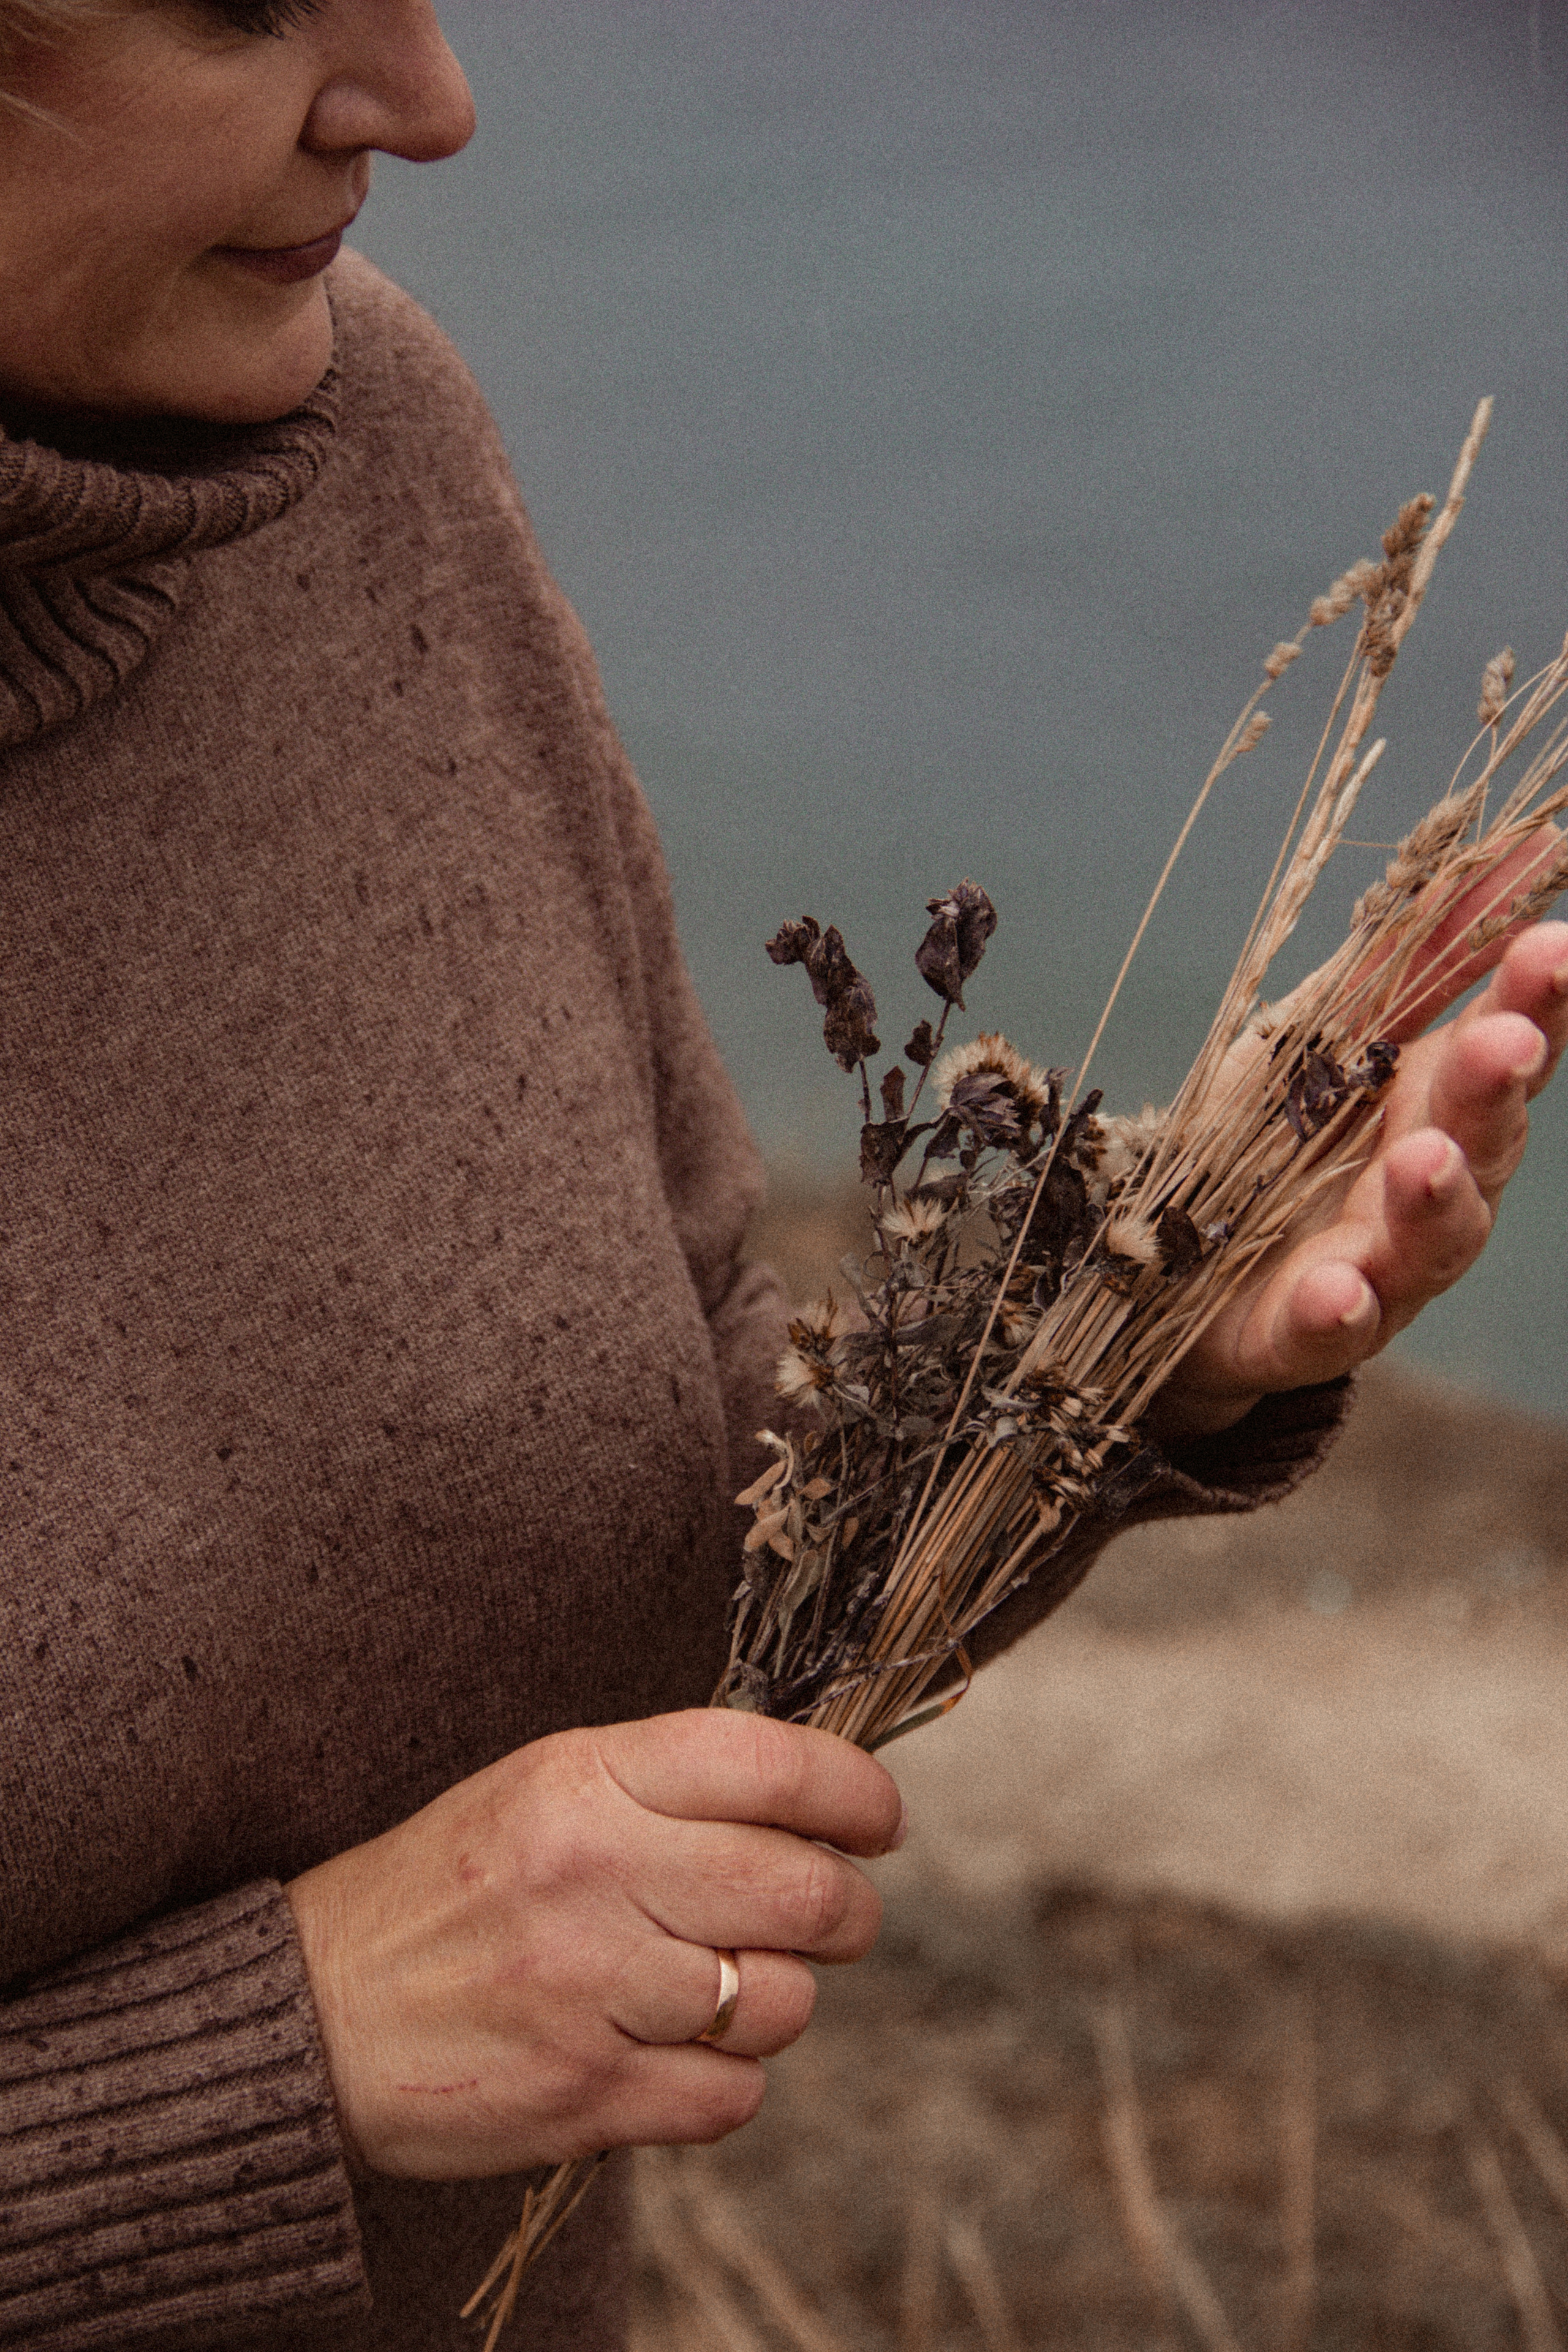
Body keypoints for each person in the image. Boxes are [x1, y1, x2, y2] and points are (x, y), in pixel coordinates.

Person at [1, 3, 1562, 2346]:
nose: (431, 105)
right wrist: (262, 2072)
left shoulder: (362, 456)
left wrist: (1118, 1344)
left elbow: (675, 1521)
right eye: (243, 0)